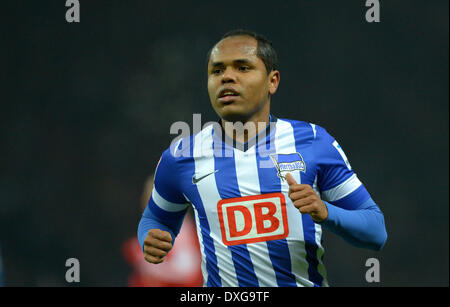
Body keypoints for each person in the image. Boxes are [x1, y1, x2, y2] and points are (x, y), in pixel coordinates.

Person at [137, 29, 387, 287]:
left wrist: (325, 212)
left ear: (273, 81)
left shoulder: (313, 141)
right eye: (217, 71)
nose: (228, 77)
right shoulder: (182, 156)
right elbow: (155, 219)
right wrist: (151, 237)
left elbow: (375, 231)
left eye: (243, 68)